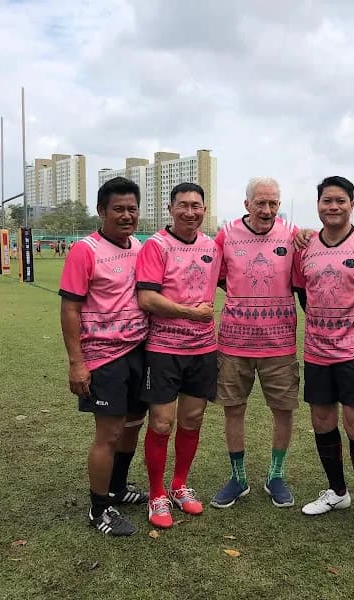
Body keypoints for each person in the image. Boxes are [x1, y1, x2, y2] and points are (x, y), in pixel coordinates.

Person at [292, 175, 354, 540]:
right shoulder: (305, 246)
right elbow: (302, 292)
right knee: (322, 420)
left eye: (340, 200)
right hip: (317, 350)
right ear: (318, 205)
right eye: (326, 200)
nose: (333, 206)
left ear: (352, 204)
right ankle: (337, 492)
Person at [59, 177, 151, 537]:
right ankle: (99, 509)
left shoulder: (139, 247)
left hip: (138, 351)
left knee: (133, 424)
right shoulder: (85, 251)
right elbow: (70, 309)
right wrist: (76, 362)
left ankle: (117, 488)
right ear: (101, 211)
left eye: (132, 209)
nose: (126, 215)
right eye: (118, 209)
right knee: (109, 433)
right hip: (103, 357)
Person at [135, 182, 221, 529]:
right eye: (182, 205)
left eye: (196, 206)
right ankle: (156, 493)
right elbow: (146, 298)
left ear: (204, 210)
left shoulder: (212, 247)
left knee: (193, 420)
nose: (190, 212)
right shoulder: (156, 245)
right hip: (163, 350)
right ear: (170, 209)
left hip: (203, 349)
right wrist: (190, 313)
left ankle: (179, 485)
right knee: (161, 423)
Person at [210, 177, 299, 510]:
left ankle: (276, 476)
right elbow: (219, 277)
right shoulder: (226, 235)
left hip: (280, 343)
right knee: (234, 409)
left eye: (273, 203)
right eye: (260, 203)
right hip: (235, 342)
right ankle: (238, 478)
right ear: (247, 204)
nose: (267, 209)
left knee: (283, 411)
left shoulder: (292, 235)